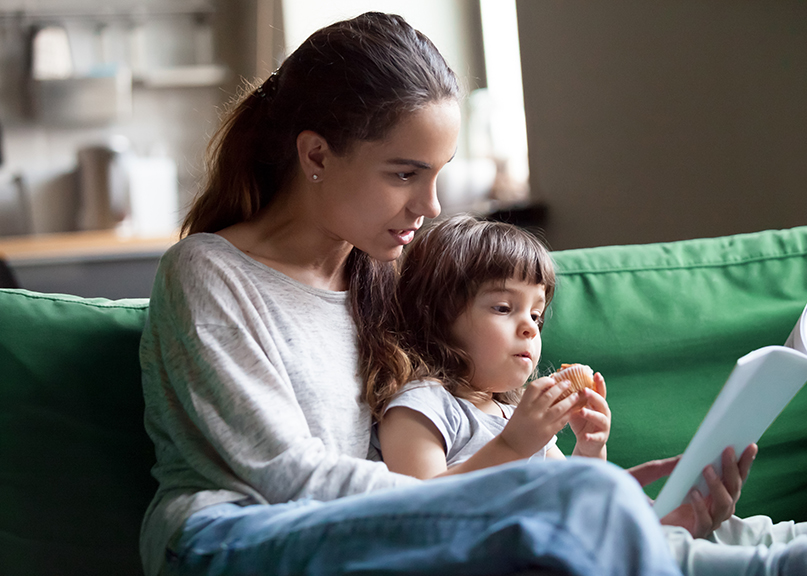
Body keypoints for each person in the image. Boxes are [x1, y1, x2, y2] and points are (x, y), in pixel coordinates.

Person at [139, 12, 685, 576]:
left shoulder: (387, 276)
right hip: (231, 537)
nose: (431, 206)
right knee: (570, 512)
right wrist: (516, 488)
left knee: (607, 516)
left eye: (438, 174)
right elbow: (286, 476)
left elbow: (466, 427)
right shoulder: (209, 274)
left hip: (376, 534)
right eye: (404, 175)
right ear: (317, 156)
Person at [372, 214, 807, 576]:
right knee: (688, 557)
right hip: (535, 559)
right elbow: (414, 514)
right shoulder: (423, 405)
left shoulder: (512, 412)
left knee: (740, 529)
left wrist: (590, 452)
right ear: (437, 315)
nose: (528, 327)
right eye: (504, 307)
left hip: (578, 543)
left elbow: (577, 497)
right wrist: (511, 448)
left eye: (537, 315)